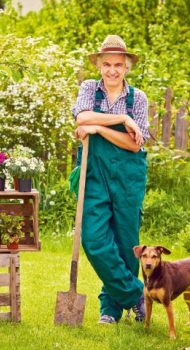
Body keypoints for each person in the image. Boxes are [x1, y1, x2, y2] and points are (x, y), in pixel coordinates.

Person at [71, 35, 150, 324]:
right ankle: (135, 296)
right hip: (94, 172)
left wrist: (100, 128)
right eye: (107, 64)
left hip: (128, 175)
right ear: (99, 66)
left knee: (127, 241)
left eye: (118, 64)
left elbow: (133, 145)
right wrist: (124, 122)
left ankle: (110, 309)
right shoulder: (89, 89)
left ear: (127, 67)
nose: (113, 70)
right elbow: (81, 118)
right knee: (93, 239)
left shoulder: (137, 98)